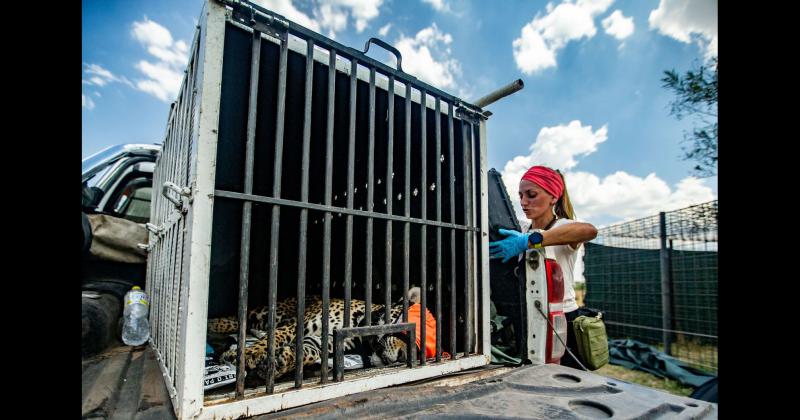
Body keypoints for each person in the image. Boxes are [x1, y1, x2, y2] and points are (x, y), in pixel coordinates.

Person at [489, 165, 597, 369]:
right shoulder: (520, 229)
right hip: (529, 315)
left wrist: (531, 241)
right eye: (520, 195)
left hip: (562, 319)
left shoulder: (561, 227)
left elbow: (589, 230)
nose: (523, 202)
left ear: (553, 197)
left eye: (531, 195)